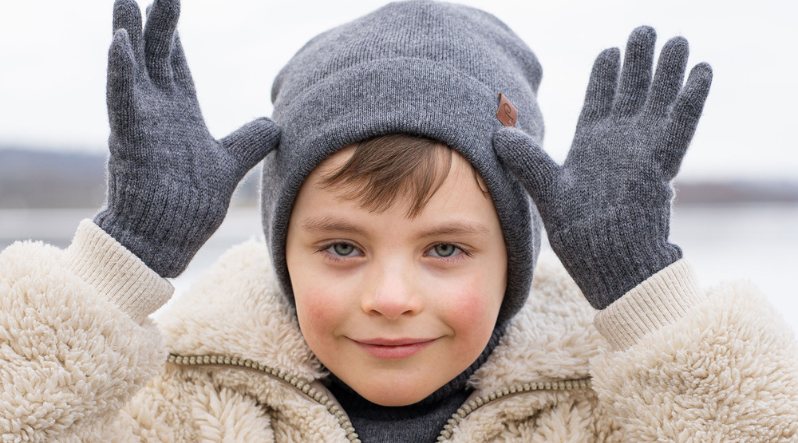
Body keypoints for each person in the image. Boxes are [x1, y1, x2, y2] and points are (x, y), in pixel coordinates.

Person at [1, 0, 796, 441]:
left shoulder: (605, 412)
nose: (390, 295)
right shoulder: (179, 405)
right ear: (283, 253)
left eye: (445, 247)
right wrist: (121, 260)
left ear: (514, 263)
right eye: (342, 245)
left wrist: (642, 294)